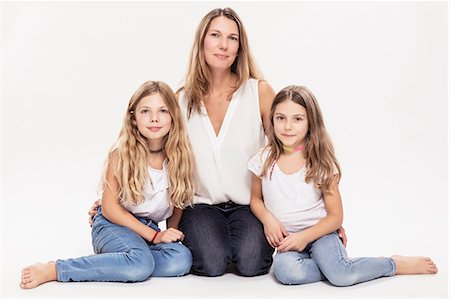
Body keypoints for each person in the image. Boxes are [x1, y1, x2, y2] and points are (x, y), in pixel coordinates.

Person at [88, 7, 347, 277]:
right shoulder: (181, 100)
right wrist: (111, 198)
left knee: (252, 264)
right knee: (210, 264)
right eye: (215, 35)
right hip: (200, 206)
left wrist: (323, 220)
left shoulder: (258, 91)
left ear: (240, 47)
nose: (223, 45)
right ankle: (135, 250)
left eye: (232, 38)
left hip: (249, 205)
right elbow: (152, 149)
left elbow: (292, 146)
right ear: (202, 42)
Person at [248, 85, 438, 286]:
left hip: (321, 235)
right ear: (272, 119)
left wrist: (305, 237)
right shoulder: (264, 159)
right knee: (286, 272)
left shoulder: (319, 162)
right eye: (281, 118)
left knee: (341, 276)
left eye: (297, 119)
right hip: (289, 241)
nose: (288, 127)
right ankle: (334, 267)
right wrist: (267, 219)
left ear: (311, 122)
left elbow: (336, 216)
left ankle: (392, 264)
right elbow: (255, 199)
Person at [20, 81, 195, 289]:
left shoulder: (180, 157)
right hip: (113, 225)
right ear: (134, 118)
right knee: (140, 264)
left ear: (174, 116)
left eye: (163, 111)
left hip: (148, 229)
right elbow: (111, 209)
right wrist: (155, 236)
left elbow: (178, 203)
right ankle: (56, 269)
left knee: (181, 259)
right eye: (145, 111)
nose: (154, 118)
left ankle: (125, 261)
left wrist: (169, 235)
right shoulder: (121, 155)